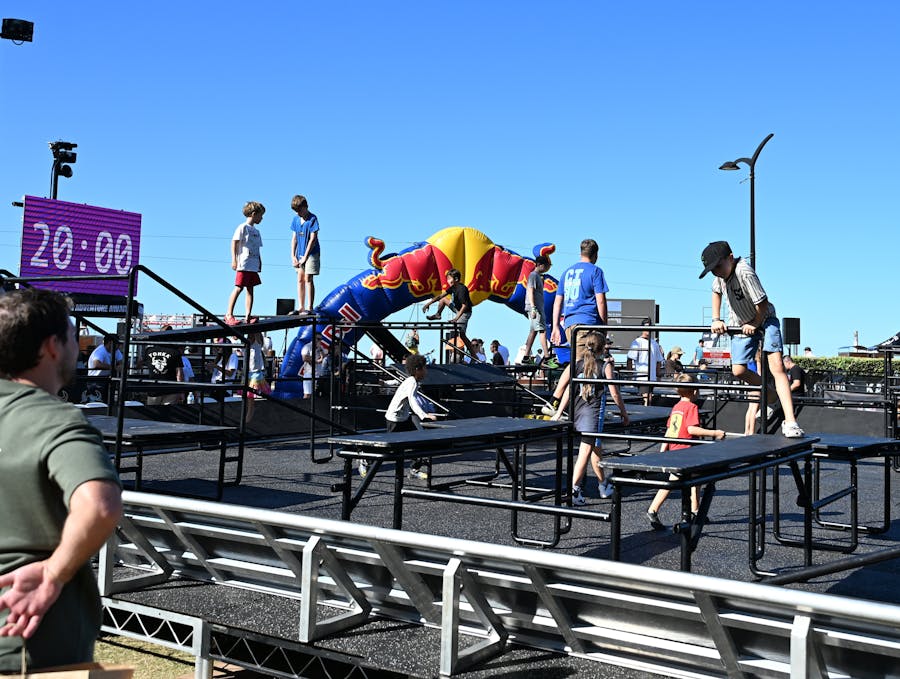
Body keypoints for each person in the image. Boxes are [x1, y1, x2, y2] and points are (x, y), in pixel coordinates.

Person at [0, 289, 122, 672]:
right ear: (53, 346)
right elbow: (99, 506)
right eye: (72, 335)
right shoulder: (56, 420)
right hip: (28, 641)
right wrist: (53, 574)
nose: (77, 345)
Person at [700, 240, 805, 437]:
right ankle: (772, 395)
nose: (716, 272)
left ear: (730, 258)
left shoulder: (744, 272)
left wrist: (756, 324)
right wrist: (716, 319)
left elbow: (762, 302)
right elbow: (715, 292)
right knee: (738, 370)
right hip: (741, 322)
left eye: (718, 267)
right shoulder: (721, 276)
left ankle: (790, 421)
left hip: (764, 319)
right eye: (712, 270)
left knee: (777, 367)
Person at [550, 331, 628, 504]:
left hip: (577, 413)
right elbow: (614, 392)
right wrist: (623, 412)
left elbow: (569, 390)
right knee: (585, 451)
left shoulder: (577, 363)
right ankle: (575, 490)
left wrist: (558, 411)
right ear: (602, 348)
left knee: (595, 448)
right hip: (592, 415)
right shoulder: (604, 365)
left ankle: (602, 484)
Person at [646, 373, 725, 530]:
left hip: (676, 449)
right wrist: (714, 432)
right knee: (675, 481)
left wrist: (663, 450)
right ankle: (653, 509)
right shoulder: (692, 407)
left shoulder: (676, 407)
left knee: (694, 480)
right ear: (695, 391)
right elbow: (691, 428)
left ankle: (695, 510)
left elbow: (669, 430)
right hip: (685, 451)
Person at [542, 239, 609, 417]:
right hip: (588, 323)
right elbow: (601, 300)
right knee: (579, 365)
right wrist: (604, 325)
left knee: (586, 364)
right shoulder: (595, 271)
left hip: (570, 323)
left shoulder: (567, 272)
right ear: (595, 255)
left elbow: (558, 301)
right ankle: (555, 401)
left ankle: (583, 404)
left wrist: (556, 325)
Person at [366, 353, 438, 481]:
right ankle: (366, 458)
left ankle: (414, 470)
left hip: (403, 418)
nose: (426, 371)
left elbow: (402, 389)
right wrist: (424, 415)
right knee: (388, 448)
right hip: (395, 419)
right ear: (417, 369)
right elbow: (413, 400)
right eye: (425, 368)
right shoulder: (412, 383)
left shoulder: (411, 380)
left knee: (419, 441)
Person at [422, 268, 477, 362]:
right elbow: (440, 296)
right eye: (447, 279)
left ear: (456, 279)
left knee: (462, 335)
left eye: (449, 279)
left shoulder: (462, 289)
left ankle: (474, 355)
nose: (448, 281)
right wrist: (428, 303)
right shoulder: (452, 288)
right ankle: (438, 315)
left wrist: (456, 318)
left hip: (464, 313)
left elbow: (465, 306)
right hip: (457, 309)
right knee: (443, 300)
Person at [225, 201, 265, 325]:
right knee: (239, 287)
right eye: (260, 215)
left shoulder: (257, 232)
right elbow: (234, 242)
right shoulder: (242, 227)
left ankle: (248, 315)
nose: (261, 218)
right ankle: (229, 314)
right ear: (254, 214)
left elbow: (257, 248)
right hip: (244, 263)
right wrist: (234, 259)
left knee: (250, 289)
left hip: (253, 264)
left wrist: (260, 262)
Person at [289, 194, 320, 314]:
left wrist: (306, 257)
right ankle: (301, 307)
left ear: (305, 207)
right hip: (299, 254)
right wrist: (293, 255)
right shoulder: (296, 220)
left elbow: (313, 239)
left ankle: (309, 307)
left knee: (308, 278)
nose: (298, 213)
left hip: (311, 253)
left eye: (299, 210)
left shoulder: (312, 219)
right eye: (295, 211)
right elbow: (294, 238)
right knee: (300, 279)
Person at [522, 255, 554, 366]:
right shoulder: (533, 275)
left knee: (533, 331)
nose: (547, 268)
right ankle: (547, 357)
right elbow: (530, 291)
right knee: (542, 331)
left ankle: (526, 357)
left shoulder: (538, 276)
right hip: (535, 308)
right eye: (546, 266)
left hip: (537, 307)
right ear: (540, 265)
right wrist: (534, 307)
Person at [626, 320, 665, 405]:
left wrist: (657, 374)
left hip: (652, 377)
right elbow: (630, 358)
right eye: (646, 326)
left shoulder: (654, 343)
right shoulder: (637, 342)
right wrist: (630, 375)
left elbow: (658, 360)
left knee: (648, 398)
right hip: (642, 376)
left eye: (650, 327)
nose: (648, 329)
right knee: (646, 398)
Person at [144, 325, 185, 405]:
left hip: (154, 388)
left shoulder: (149, 350)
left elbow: (140, 363)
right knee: (168, 414)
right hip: (170, 389)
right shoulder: (175, 352)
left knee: (152, 413)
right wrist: (181, 391)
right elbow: (179, 374)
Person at [246, 331, 271, 422]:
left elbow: (257, 336)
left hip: (255, 375)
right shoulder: (248, 346)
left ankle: (248, 418)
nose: (249, 337)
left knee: (251, 399)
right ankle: (249, 416)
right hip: (249, 374)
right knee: (249, 399)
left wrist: (254, 328)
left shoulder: (257, 345)